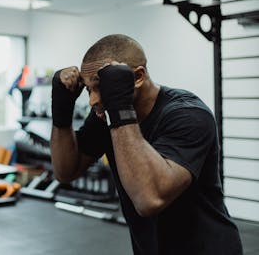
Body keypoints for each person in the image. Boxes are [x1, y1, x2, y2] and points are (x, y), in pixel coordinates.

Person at [50, 34, 243, 254]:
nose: (93, 100)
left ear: (138, 77)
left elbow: (149, 199)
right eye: (88, 90)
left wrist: (119, 107)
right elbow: (66, 171)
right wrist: (61, 113)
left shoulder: (188, 115)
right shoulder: (105, 116)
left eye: (100, 87)